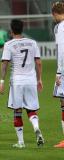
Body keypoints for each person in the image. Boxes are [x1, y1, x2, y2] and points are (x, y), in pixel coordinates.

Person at [0, 19, 44, 148]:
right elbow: (39, 62)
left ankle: (21, 142)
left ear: (11, 30)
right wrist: (39, 79)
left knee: (17, 111)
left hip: (17, 81)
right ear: (22, 28)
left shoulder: (9, 44)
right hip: (31, 80)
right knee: (31, 110)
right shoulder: (32, 43)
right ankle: (36, 127)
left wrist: (2, 81)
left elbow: (4, 64)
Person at [52, 1, 64, 148]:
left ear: (54, 13)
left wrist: (59, 72)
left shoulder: (60, 27)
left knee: (63, 103)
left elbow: (62, 50)